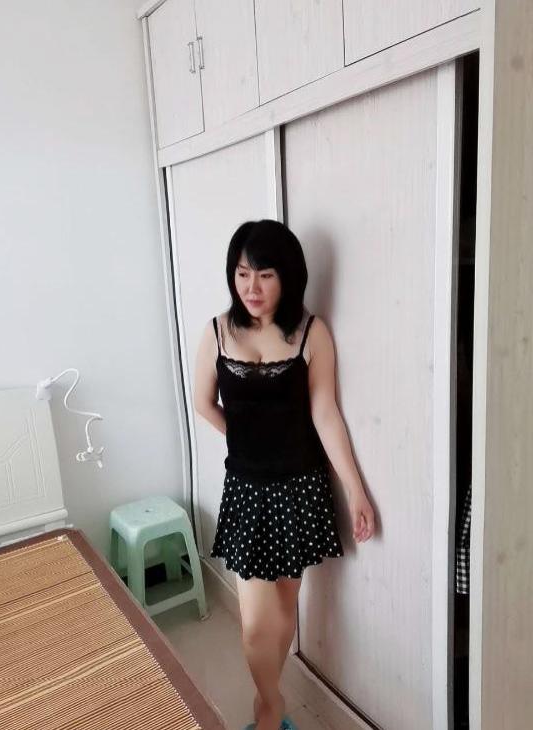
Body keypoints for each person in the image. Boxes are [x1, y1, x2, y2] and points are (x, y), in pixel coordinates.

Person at [194, 219, 375, 730]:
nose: (251, 287)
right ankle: (271, 708)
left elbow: (326, 414)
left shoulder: (312, 333)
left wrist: (356, 491)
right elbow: (203, 402)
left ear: (288, 276)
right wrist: (243, 437)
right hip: (247, 490)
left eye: (265, 274)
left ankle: (268, 710)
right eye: (242, 273)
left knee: (284, 606)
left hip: (301, 487)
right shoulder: (217, 331)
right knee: (257, 622)